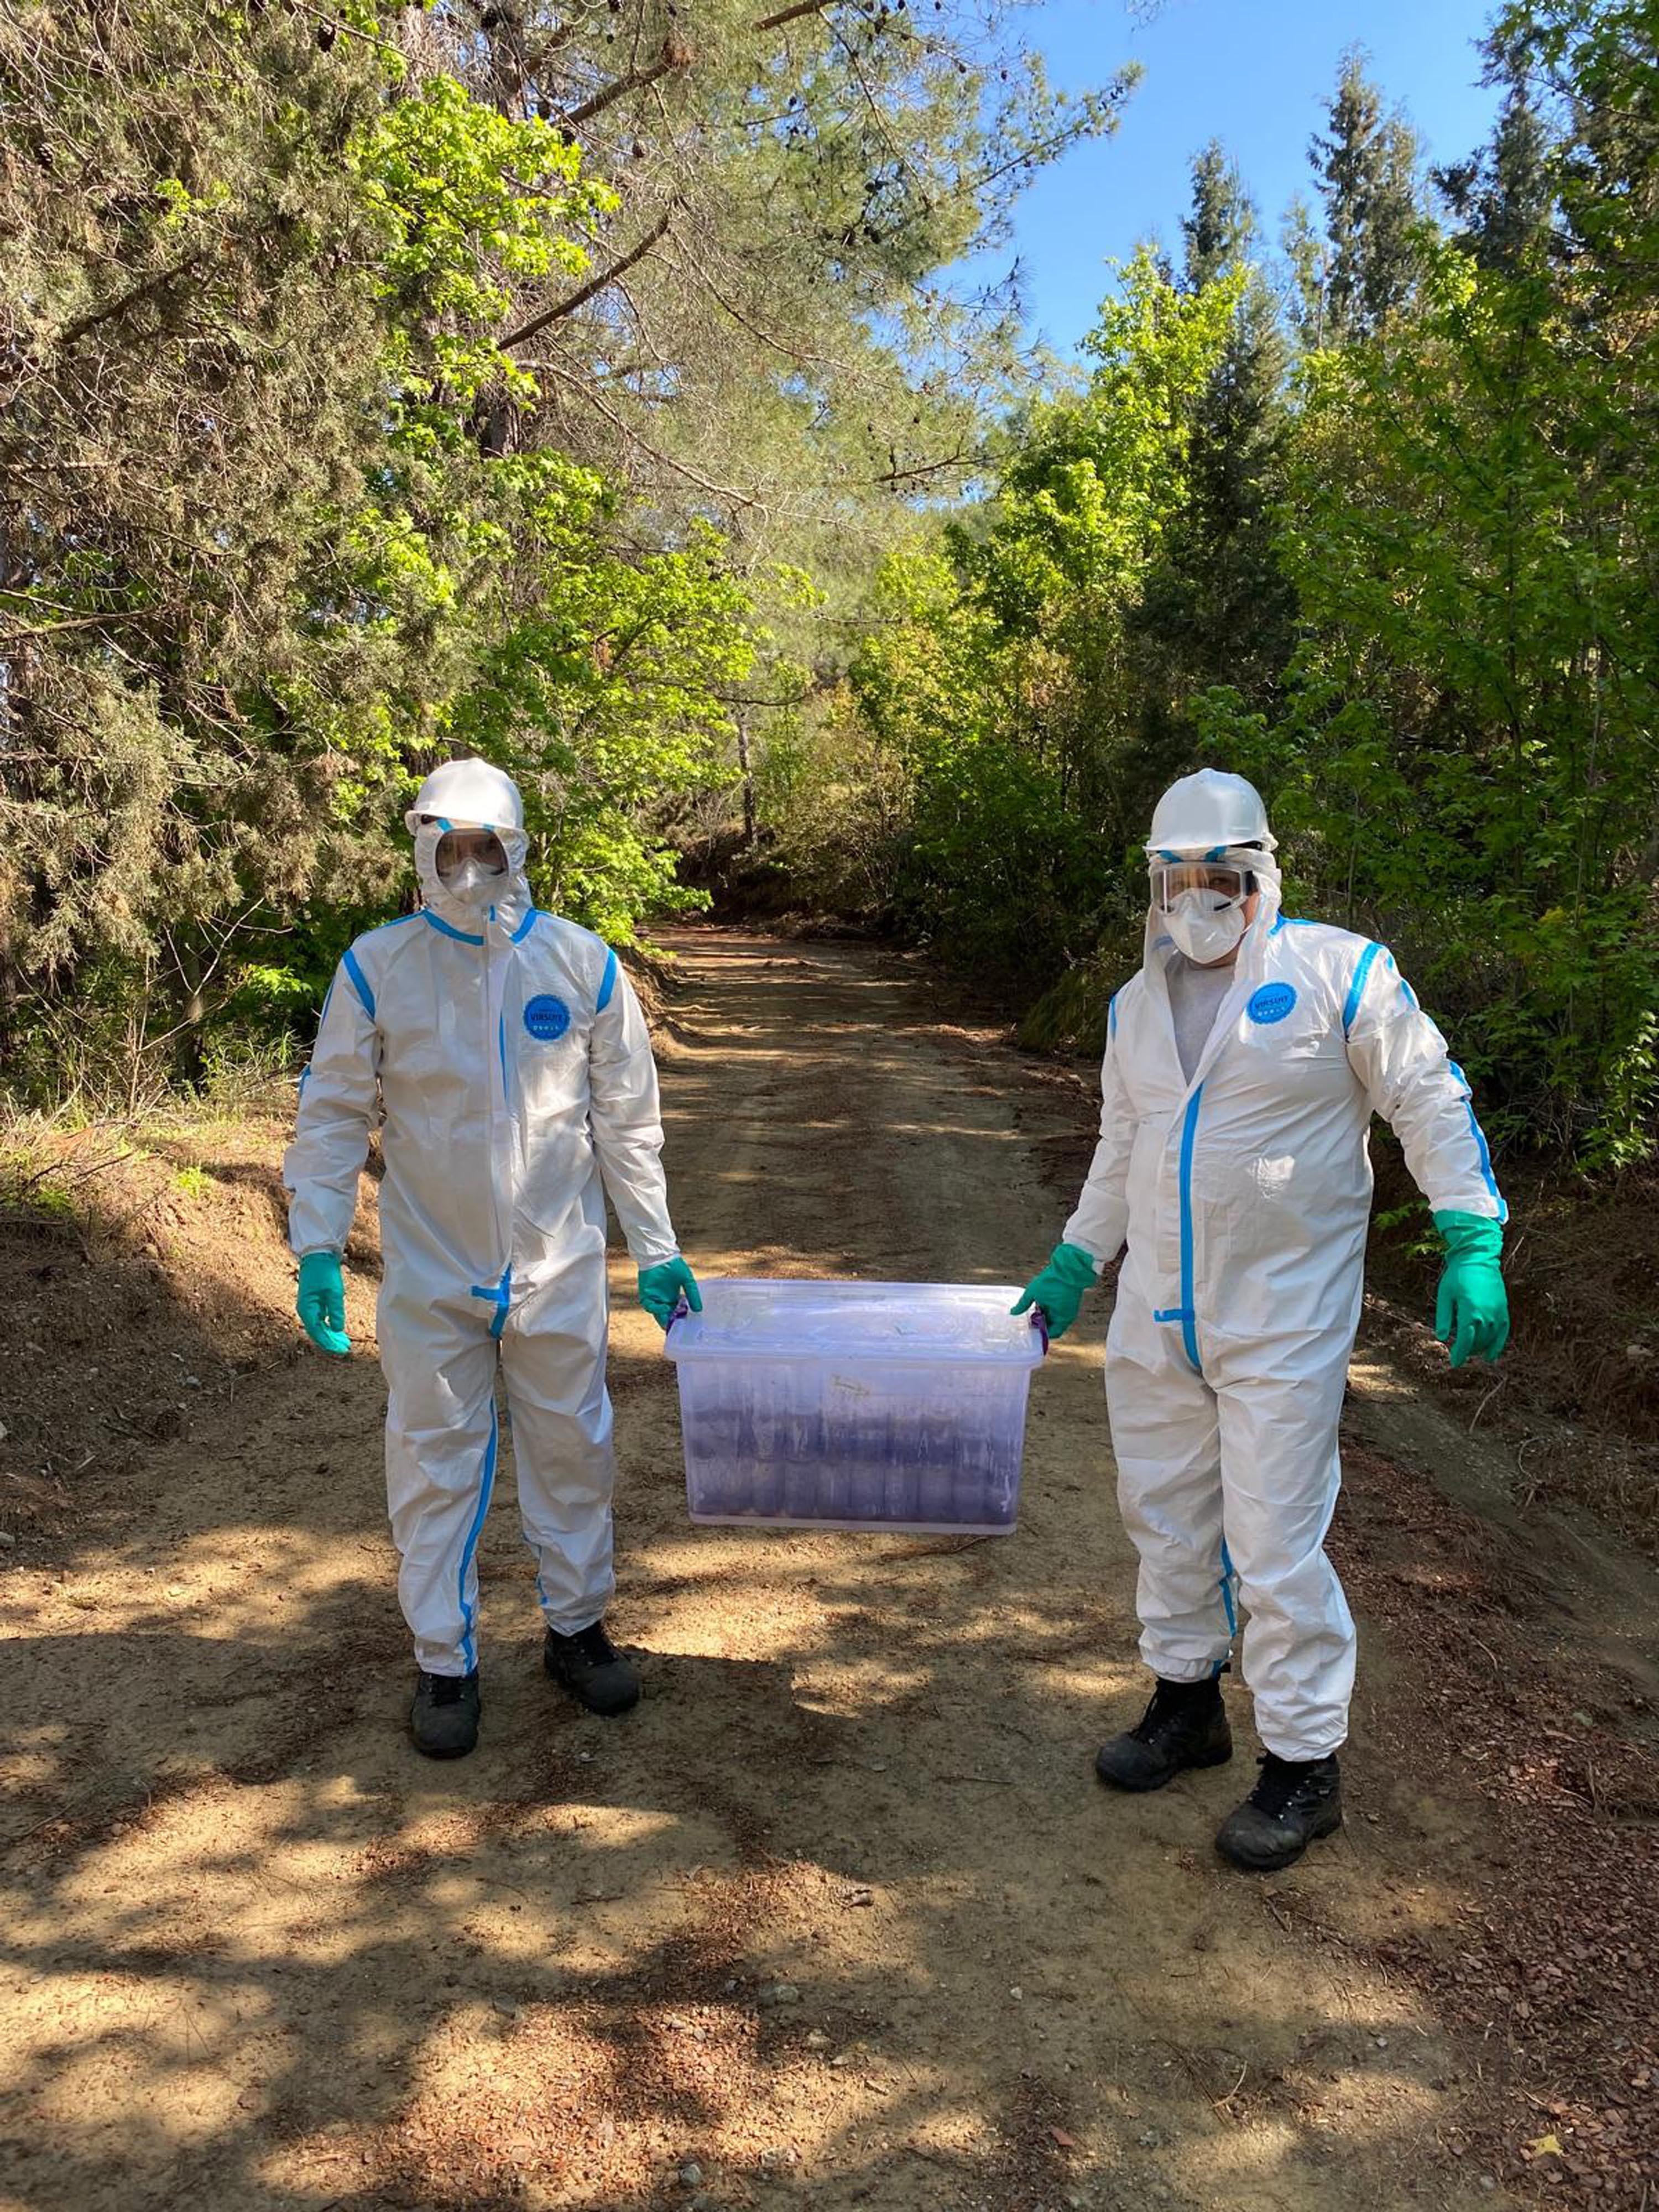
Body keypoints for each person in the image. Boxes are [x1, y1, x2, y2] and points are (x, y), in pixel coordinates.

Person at [1013, 770, 1509, 1871]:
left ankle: (1303, 1766)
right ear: (1154, 883)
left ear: (1262, 876)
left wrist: (1472, 1233)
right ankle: (1186, 1704)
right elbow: (1122, 1144)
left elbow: (1427, 1094)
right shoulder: (1136, 1005)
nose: (1202, 899)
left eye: (1223, 878)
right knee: (1166, 1516)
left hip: (1283, 1314)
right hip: (1158, 1311)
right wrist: (1073, 1261)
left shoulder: (1340, 973)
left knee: (1276, 1543)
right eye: (1180, 878)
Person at [283, 757, 701, 1759]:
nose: (467, 867)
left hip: (556, 1264)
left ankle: (577, 1629)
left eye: (486, 847)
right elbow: (334, 1112)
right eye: (449, 846)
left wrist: (656, 1248)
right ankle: (444, 1660)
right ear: (424, 847)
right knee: (432, 1460)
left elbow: (626, 1126)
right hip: (432, 1268)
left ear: (516, 850)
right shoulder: (377, 966)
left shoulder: (581, 964)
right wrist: (317, 1245)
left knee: (573, 1447)